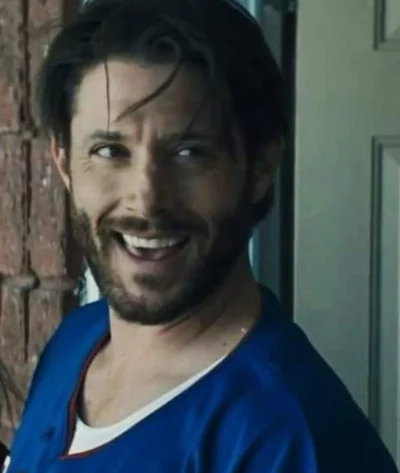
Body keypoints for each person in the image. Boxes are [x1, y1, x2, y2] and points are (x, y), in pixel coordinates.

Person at [5, 0, 398, 471]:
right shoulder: (77, 341)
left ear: (260, 167)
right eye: (110, 151)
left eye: (189, 152)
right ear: (65, 164)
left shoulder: (290, 440)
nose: (146, 200)